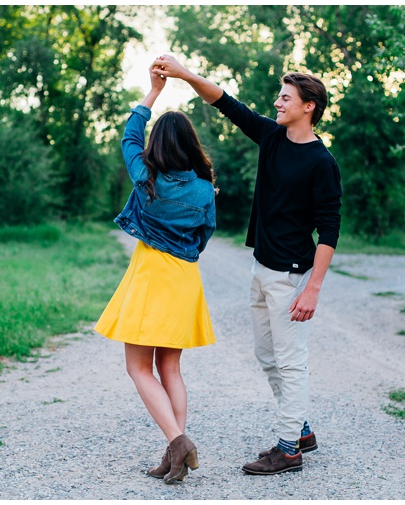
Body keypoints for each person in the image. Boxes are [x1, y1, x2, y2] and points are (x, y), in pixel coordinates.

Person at [150, 54, 342, 476]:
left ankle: (289, 449)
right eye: (279, 97)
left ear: (308, 106)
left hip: (292, 276)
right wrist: (184, 74)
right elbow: (226, 102)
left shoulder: (322, 163)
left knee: (289, 361)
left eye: (285, 98)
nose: (277, 103)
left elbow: (329, 229)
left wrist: (313, 288)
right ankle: (303, 430)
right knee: (267, 356)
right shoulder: (273, 137)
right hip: (261, 268)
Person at [94, 63, 219, 483]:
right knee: (170, 370)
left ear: (158, 146)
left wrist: (152, 93)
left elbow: (130, 135)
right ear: (190, 145)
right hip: (184, 278)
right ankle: (175, 451)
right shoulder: (204, 189)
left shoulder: (145, 176)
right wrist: (185, 250)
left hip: (151, 275)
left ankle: (177, 441)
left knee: (138, 369)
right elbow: (205, 234)